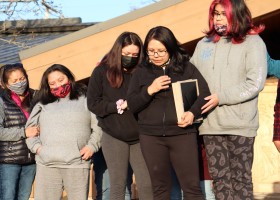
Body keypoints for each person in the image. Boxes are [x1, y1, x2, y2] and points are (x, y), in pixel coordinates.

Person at [190, 0, 267, 199]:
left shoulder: (254, 42)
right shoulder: (203, 44)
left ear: (236, 14)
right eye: (216, 13)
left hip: (240, 125)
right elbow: (190, 79)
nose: (218, 18)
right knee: (220, 182)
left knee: (240, 181)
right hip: (211, 125)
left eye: (223, 13)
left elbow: (255, 83)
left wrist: (221, 97)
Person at [127, 26, 211, 200]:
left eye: (161, 51)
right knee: (160, 190)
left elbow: (204, 94)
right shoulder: (140, 72)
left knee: (192, 189)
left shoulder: (186, 68)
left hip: (182, 135)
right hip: (151, 138)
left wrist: (192, 114)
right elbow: (133, 105)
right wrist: (150, 90)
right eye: (151, 51)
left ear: (170, 48)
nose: (156, 55)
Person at [87, 32, 153, 200]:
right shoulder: (102, 71)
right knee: (117, 185)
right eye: (126, 54)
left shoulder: (144, 72)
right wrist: (114, 106)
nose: (130, 58)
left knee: (146, 184)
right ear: (118, 51)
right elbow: (93, 103)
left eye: (134, 55)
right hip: (114, 135)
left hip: (140, 136)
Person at [25, 64, 102, 200]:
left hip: (77, 164)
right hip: (47, 165)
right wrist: (37, 149)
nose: (58, 85)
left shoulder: (86, 99)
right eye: (52, 83)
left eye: (61, 80)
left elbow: (98, 126)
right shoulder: (41, 103)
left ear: (69, 77)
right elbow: (30, 131)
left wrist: (91, 146)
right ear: (47, 86)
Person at [0, 63, 38, 200]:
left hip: (31, 159)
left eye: (22, 79)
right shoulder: (2, 101)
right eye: (15, 81)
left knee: (24, 196)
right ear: (5, 84)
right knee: (8, 196)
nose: (20, 83)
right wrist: (24, 132)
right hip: (9, 160)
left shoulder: (36, 96)